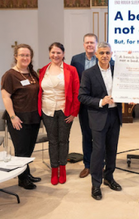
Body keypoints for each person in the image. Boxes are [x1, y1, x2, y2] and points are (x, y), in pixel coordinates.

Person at [78, 42, 122, 201]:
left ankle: (109, 177)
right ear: (96, 54)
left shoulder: (118, 71)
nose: (105, 56)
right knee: (98, 152)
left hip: (115, 116)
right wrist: (100, 101)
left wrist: (131, 98)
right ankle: (96, 184)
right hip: (98, 117)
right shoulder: (88, 73)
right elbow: (82, 96)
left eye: (108, 53)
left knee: (112, 149)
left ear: (111, 54)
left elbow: (126, 88)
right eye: (102, 53)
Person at [38, 42, 80, 185]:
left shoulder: (71, 70)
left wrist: (74, 112)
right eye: (53, 52)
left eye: (58, 53)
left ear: (63, 54)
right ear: (49, 54)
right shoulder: (43, 70)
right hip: (47, 110)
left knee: (63, 140)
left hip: (65, 110)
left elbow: (76, 92)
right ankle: (53, 169)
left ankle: (62, 169)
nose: (55, 55)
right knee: (52, 141)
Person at [1, 44, 41, 190]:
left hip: (33, 117)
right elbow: (6, 97)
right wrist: (12, 117)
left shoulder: (32, 74)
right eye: (22, 55)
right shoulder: (10, 75)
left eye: (27, 55)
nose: (25, 58)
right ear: (16, 56)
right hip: (18, 118)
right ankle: (22, 179)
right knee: (21, 150)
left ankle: (27, 173)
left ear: (31, 58)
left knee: (29, 149)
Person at [70, 33, 98, 178]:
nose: (89, 45)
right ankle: (87, 165)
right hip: (84, 104)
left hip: (100, 103)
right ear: (83, 44)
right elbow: (73, 81)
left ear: (96, 44)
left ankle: (99, 164)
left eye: (92, 43)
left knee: (99, 135)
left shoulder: (103, 58)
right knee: (86, 135)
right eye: (87, 42)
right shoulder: (76, 59)